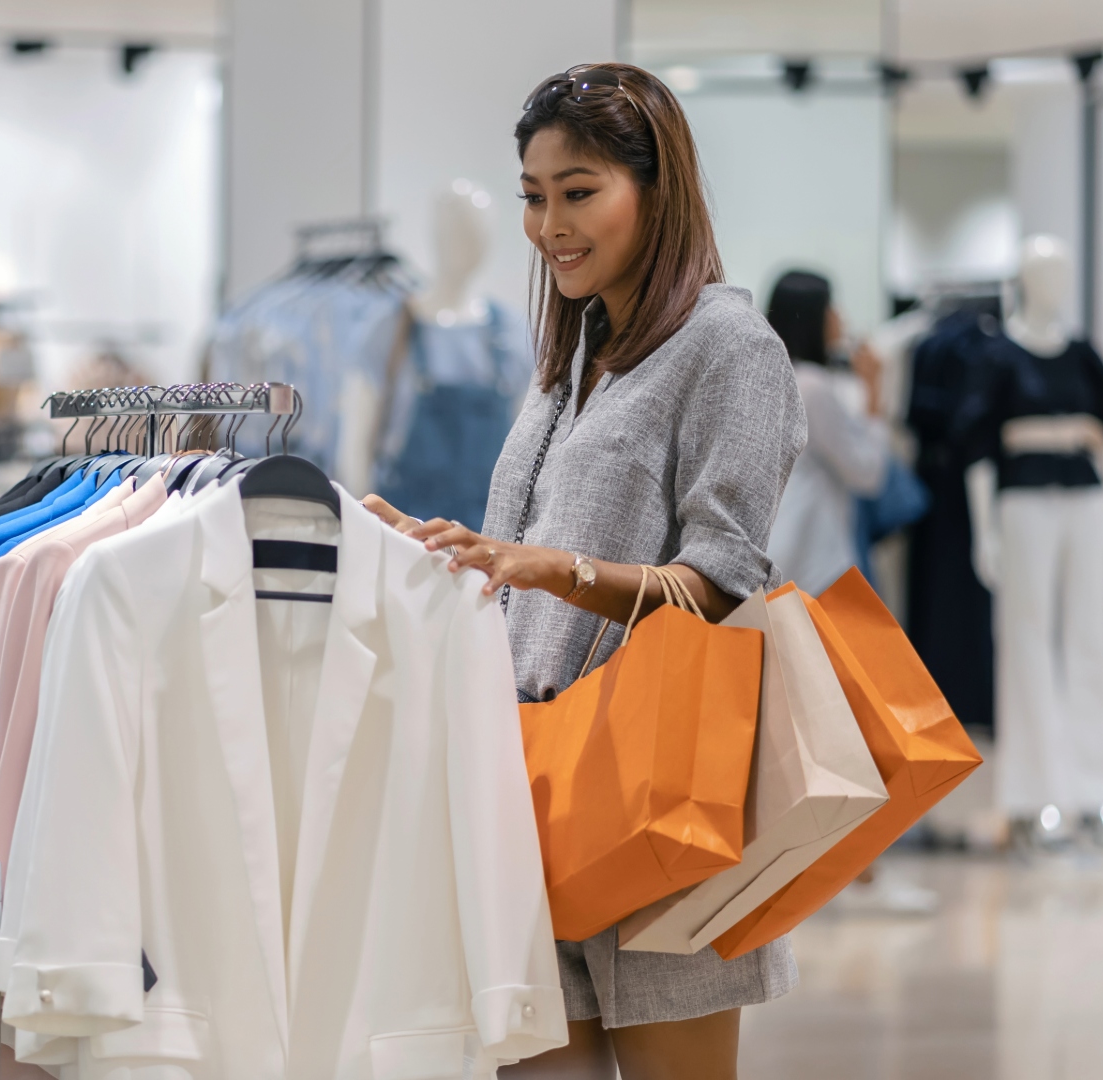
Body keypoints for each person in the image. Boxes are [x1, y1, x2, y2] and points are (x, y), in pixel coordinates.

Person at [365, 63, 805, 1080]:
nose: (548, 223)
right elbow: (517, 571)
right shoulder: (575, 357)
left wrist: (552, 568)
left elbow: (725, 578)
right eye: (533, 194)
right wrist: (425, 553)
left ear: (658, 191)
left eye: (579, 191)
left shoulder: (730, 349)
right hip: (527, 780)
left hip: (660, 779)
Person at [762, 269, 890, 596]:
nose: (839, 317)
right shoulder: (812, 386)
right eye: (831, 306)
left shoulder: (768, 377)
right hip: (813, 553)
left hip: (775, 542)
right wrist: (875, 392)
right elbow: (867, 472)